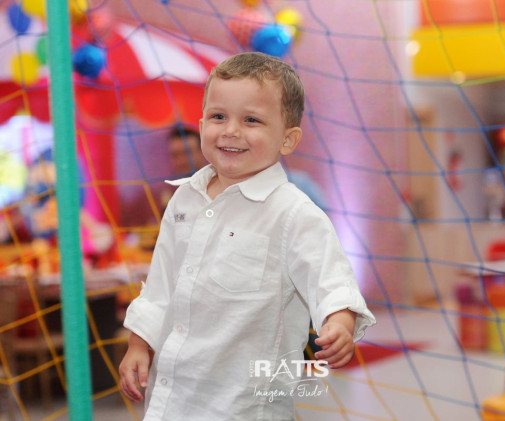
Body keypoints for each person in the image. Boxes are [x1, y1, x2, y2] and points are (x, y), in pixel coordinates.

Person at [119, 52, 376, 420]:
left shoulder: (293, 213)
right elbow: (160, 285)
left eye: (251, 120)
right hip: (173, 397)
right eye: (218, 116)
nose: (230, 130)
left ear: (287, 139)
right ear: (201, 124)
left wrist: (339, 324)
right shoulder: (184, 198)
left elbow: (332, 282)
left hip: (244, 405)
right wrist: (139, 343)